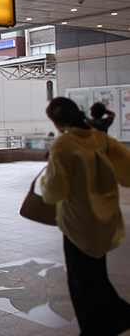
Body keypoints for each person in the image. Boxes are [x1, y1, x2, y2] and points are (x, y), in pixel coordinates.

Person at [41, 97, 130, 336]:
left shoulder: (63, 145)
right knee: (96, 274)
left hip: (78, 223)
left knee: (82, 281)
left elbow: (54, 192)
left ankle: (95, 328)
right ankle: (117, 319)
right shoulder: (100, 137)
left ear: (56, 120)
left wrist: (45, 178)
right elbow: (127, 170)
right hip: (106, 217)